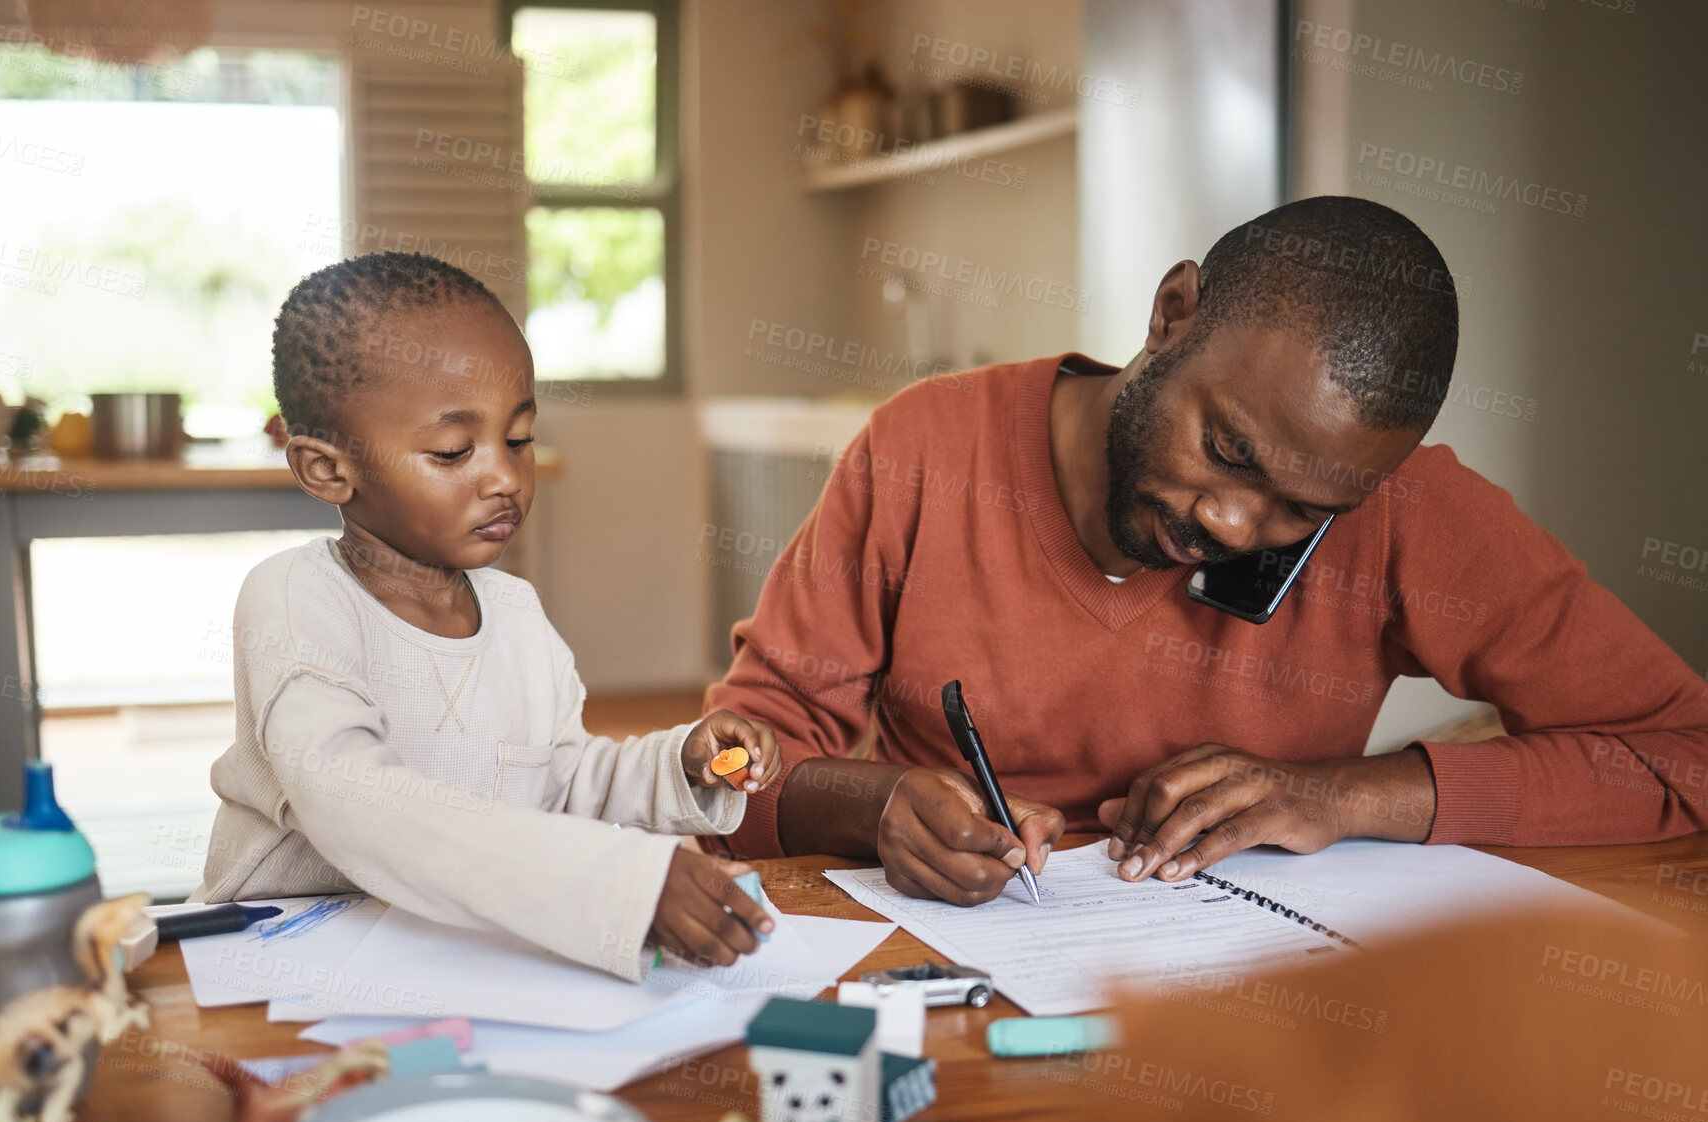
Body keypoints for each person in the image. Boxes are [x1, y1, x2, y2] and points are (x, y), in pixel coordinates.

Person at [704, 195, 1708, 905]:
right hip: (959, 970)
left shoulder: (1404, 508)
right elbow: (726, 765)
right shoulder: (923, 450)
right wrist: (869, 801)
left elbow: (1684, 753)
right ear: (1171, 311)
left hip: (1266, 1004)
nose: (1233, 524)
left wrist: (1348, 796)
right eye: (1224, 449)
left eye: (1298, 510)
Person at [197, 252, 781, 978]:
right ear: (327, 469)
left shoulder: (516, 612)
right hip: (286, 958)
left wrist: (681, 765)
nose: (504, 477)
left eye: (518, 439)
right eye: (451, 451)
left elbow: (562, 782)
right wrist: (609, 879)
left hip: (453, 954)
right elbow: (357, 802)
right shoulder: (295, 599)